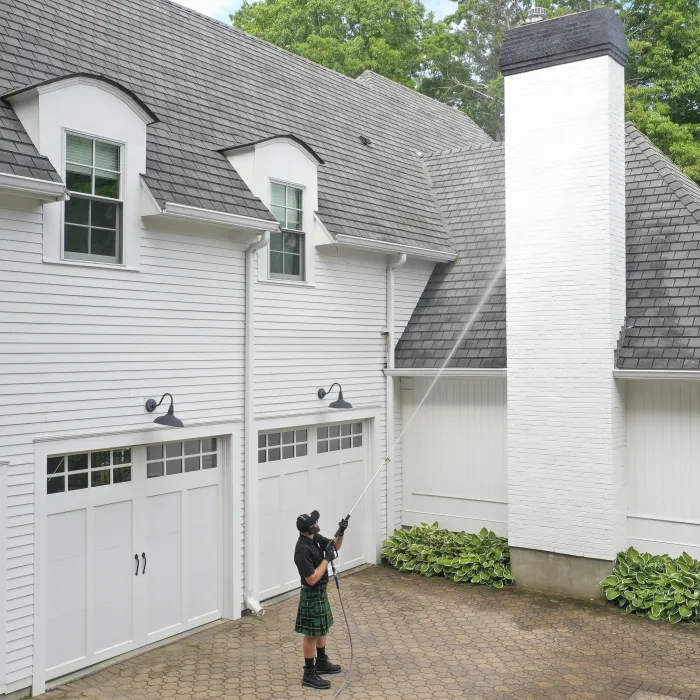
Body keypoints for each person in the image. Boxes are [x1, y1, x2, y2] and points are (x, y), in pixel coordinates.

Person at [293, 510, 350, 690]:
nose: (317, 523)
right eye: (315, 522)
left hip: (321, 592)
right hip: (311, 593)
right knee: (311, 634)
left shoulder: (315, 537)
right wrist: (326, 559)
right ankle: (309, 674)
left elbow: (334, 547)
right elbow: (311, 578)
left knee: (322, 627)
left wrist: (341, 533)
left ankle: (322, 662)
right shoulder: (302, 549)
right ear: (310, 527)